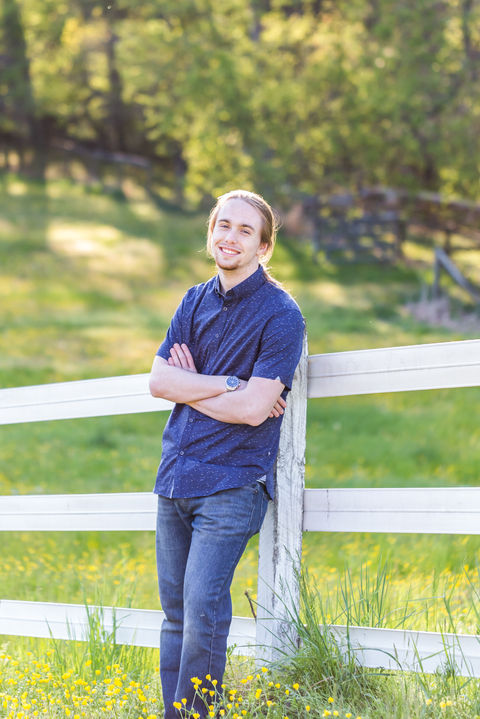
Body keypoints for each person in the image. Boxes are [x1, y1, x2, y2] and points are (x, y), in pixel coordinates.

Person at [149, 189, 305, 719]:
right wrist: (228, 384)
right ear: (210, 233)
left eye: (245, 230)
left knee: (202, 614)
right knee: (175, 616)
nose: (230, 237)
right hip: (175, 477)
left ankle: (195, 714)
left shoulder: (282, 315)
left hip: (231, 484)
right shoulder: (193, 300)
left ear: (264, 247)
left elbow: (256, 410)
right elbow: (159, 381)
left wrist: (193, 385)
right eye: (223, 226)